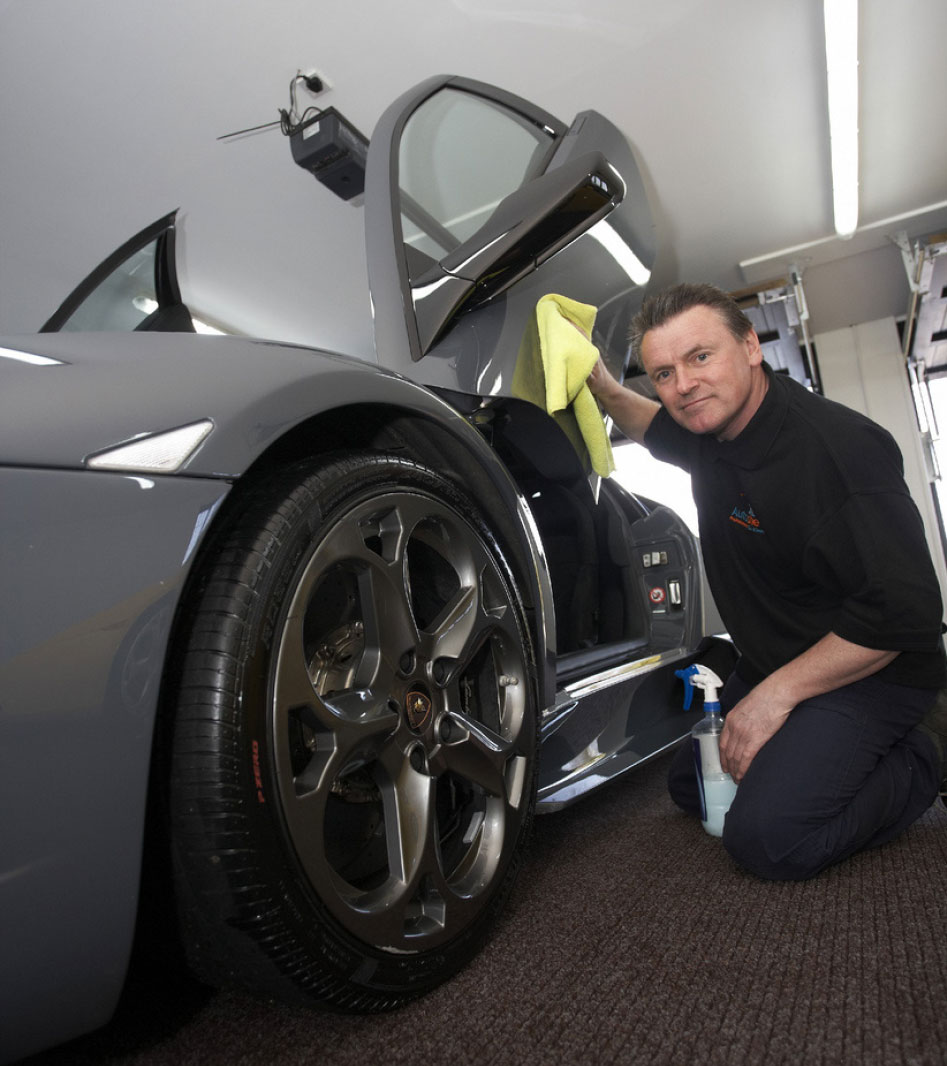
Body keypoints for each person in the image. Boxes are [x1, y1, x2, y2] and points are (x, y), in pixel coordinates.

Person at [587, 281, 947, 880]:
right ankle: (805, 742)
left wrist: (773, 699)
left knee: (766, 837)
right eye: (664, 372)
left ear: (751, 346)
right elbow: (649, 421)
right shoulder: (708, 432)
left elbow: (901, 615)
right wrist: (600, 384)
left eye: (700, 357)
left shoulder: (841, 453)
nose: (683, 385)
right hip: (780, 658)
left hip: (877, 670)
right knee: (692, 787)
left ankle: (926, 752)